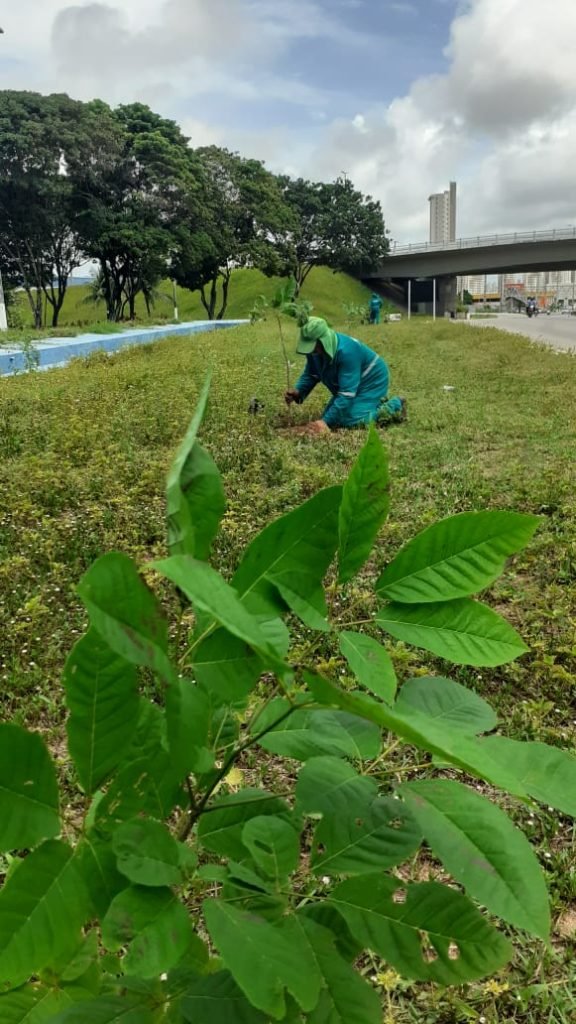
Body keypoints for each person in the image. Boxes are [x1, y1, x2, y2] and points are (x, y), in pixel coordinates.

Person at [285, 317, 405, 435]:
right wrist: (298, 391)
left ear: (323, 341)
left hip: (372, 381)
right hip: (353, 382)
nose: (311, 351)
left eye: (313, 346)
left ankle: (395, 405)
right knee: (332, 416)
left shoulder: (347, 352)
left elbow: (346, 394)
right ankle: (371, 403)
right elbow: (312, 373)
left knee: (348, 421)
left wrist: (325, 422)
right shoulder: (314, 351)